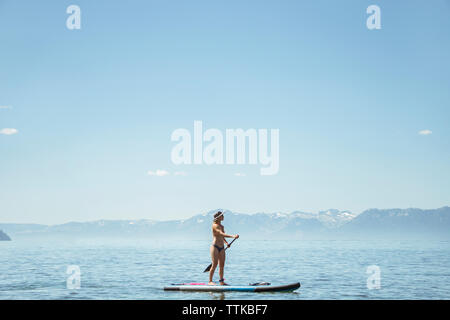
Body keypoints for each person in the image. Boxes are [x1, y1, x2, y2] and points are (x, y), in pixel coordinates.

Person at [209, 211, 239, 285]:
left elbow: (222, 237)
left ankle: (221, 281)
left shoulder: (222, 226)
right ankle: (210, 281)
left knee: (222, 265)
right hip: (215, 247)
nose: (223, 217)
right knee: (215, 264)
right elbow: (221, 233)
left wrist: (226, 243)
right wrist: (233, 236)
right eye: (222, 215)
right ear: (218, 217)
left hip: (222, 247)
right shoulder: (215, 225)